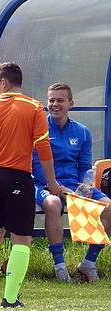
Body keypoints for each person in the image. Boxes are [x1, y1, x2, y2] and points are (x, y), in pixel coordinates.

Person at [0, 62, 62, 308]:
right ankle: (10, 299)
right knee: (21, 239)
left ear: (3, 82)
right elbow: (43, 147)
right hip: (18, 178)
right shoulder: (34, 107)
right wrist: (52, 182)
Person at [33, 82, 111, 282]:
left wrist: (86, 185)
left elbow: (85, 165)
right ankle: (59, 266)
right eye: (51, 100)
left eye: (60, 100)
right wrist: (55, 185)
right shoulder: (38, 129)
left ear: (71, 104)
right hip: (45, 184)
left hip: (74, 186)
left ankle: (88, 263)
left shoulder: (82, 131)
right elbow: (36, 166)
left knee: (108, 207)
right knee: (53, 204)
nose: (55, 104)